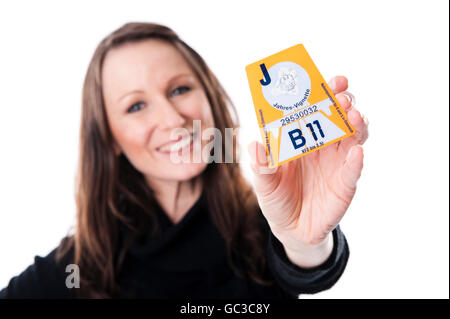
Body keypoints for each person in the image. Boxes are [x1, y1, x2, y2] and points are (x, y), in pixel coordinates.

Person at [0, 22, 368, 299]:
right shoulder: (77, 269)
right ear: (110, 139)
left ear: (209, 97)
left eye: (179, 89)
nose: (174, 119)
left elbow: (304, 264)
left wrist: (304, 241)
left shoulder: (265, 229)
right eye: (136, 106)